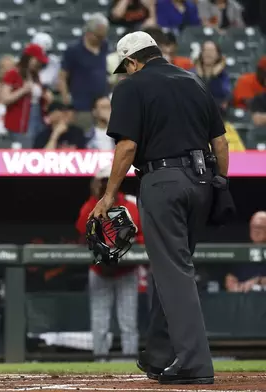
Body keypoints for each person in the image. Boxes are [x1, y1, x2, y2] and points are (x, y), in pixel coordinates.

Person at [89, 31, 229, 385]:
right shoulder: (194, 80)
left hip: (162, 181)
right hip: (202, 181)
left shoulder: (131, 87)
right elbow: (221, 142)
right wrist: (221, 182)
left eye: (126, 66)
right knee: (174, 268)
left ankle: (195, 364)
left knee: (173, 272)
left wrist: (108, 195)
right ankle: (160, 354)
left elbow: (127, 147)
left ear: (133, 60)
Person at [77, 166, 142, 358]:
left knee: (128, 321)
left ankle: (130, 360)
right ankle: (100, 361)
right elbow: (82, 230)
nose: (106, 184)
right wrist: (93, 198)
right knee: (99, 321)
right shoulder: (91, 206)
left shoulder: (129, 206)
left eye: (109, 180)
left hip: (126, 271)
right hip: (99, 272)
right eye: (102, 181)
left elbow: (141, 236)